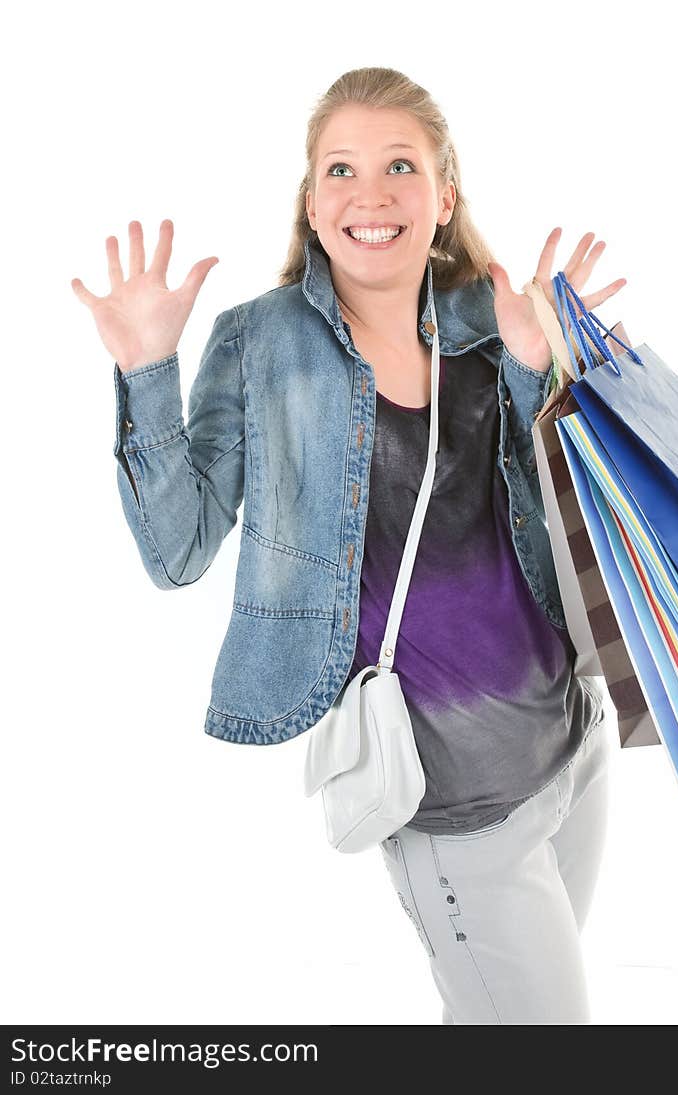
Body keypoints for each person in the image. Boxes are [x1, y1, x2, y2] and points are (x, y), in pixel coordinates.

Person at [72, 66, 627, 1025]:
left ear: (443, 194)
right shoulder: (263, 343)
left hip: (571, 742)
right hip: (451, 798)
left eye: (399, 166)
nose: (369, 195)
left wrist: (543, 372)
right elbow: (178, 551)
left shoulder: (491, 323)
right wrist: (145, 370)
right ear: (313, 201)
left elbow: (570, 511)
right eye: (341, 170)